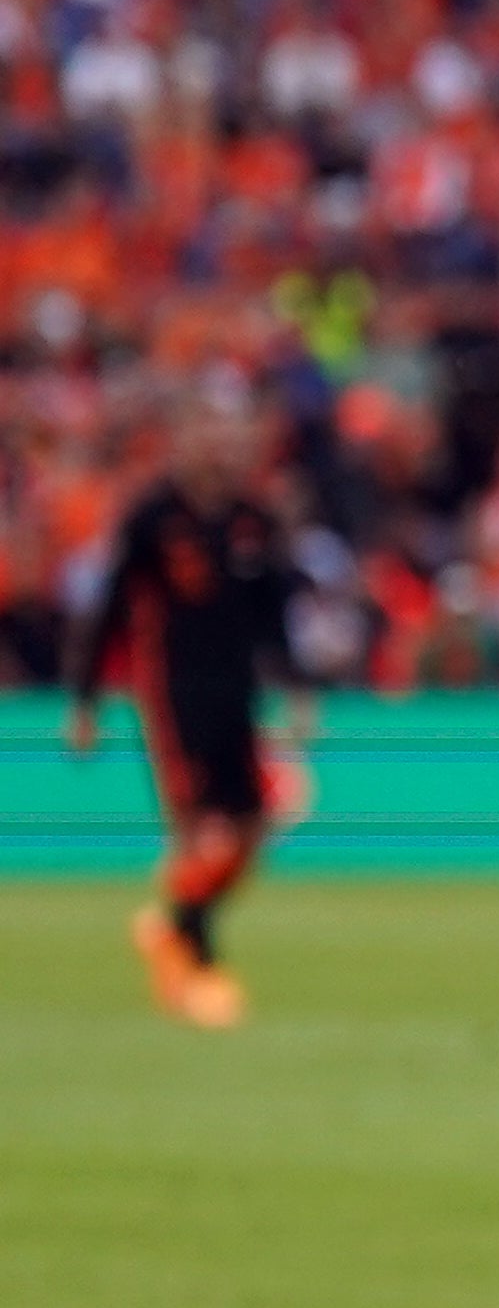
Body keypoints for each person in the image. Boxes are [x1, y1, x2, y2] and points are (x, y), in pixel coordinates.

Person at [62, 389, 311, 1030]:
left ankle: (173, 924)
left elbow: (273, 615)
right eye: (209, 432)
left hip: (238, 692)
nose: (222, 446)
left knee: (256, 823)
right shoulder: (152, 516)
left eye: (231, 434)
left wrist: (296, 686)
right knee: (203, 829)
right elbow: (111, 609)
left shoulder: (254, 518)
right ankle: (196, 966)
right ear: (184, 440)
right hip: (174, 692)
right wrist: (86, 699)